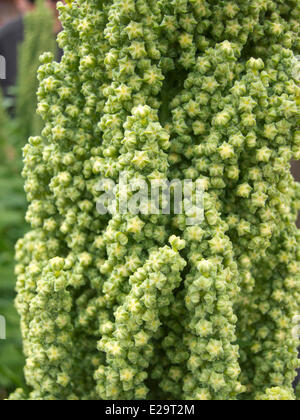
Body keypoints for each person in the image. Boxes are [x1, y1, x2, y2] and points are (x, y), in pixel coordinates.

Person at [0, 0, 62, 98]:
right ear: (19, 3)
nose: (45, 5)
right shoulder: (5, 38)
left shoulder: (76, 37)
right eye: (33, 1)